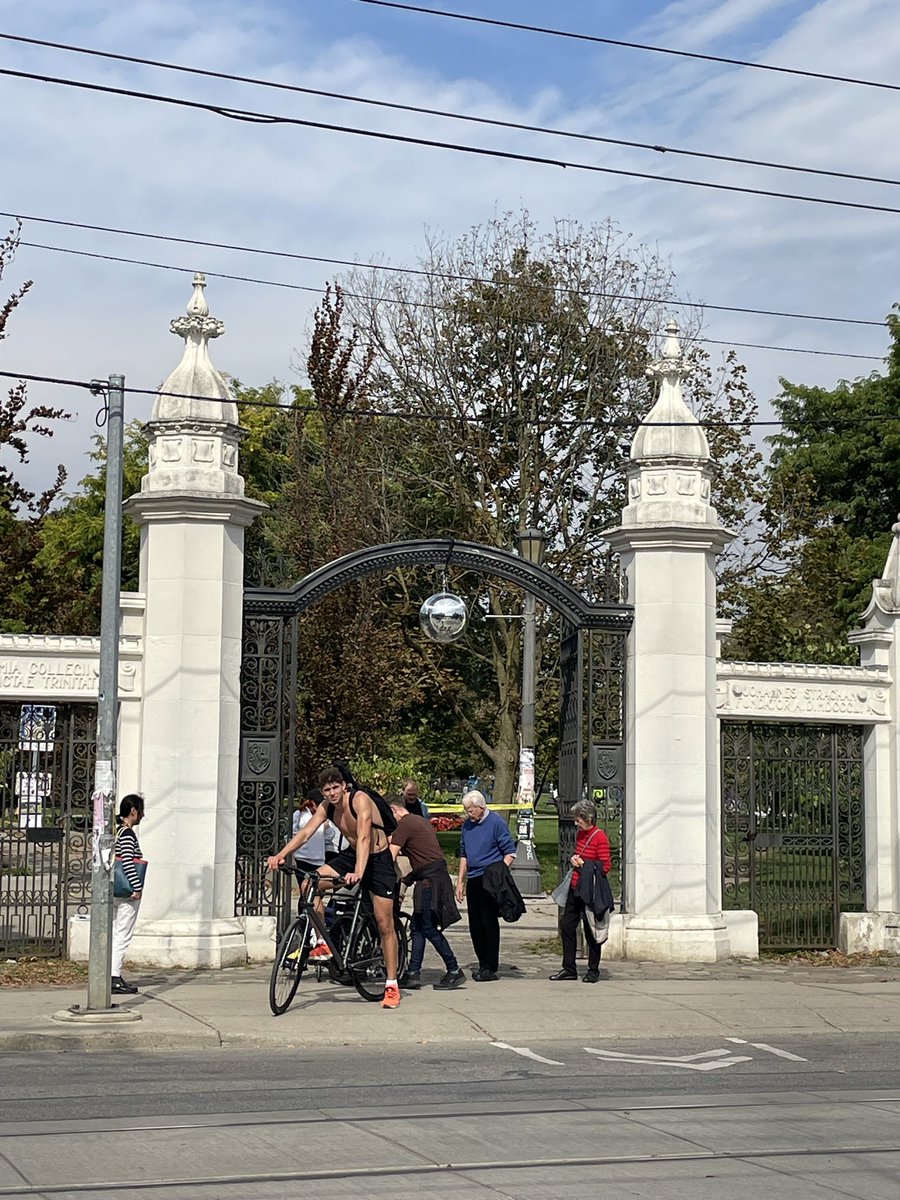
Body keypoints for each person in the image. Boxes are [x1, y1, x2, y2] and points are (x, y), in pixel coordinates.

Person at [267, 766, 402, 1009]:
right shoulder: (327, 807)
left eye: (335, 788)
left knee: (384, 924)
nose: (331, 793)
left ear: (344, 786)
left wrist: (360, 871)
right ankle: (320, 943)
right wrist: (281, 855)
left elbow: (364, 836)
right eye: (327, 790)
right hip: (352, 856)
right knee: (310, 883)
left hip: (378, 859)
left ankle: (391, 984)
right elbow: (306, 832)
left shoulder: (360, 800)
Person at [388, 801, 464, 990]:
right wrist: (408, 879)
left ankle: (454, 969)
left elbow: (391, 855)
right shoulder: (419, 821)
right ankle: (413, 973)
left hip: (430, 881)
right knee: (417, 926)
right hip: (430, 877)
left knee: (427, 927)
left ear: (394, 810)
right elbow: (427, 856)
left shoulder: (405, 824)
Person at [455, 790, 516, 982]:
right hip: (473, 878)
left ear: (481, 807)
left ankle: (490, 965)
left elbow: (510, 852)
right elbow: (464, 854)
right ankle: (482, 962)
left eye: (470, 811)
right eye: (466, 811)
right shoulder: (467, 826)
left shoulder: (496, 823)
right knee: (475, 924)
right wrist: (459, 882)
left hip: (490, 878)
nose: (468, 814)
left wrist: (499, 872)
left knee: (488, 921)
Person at [549, 799, 612, 984]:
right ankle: (569, 968)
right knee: (568, 927)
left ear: (588, 818)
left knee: (591, 930)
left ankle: (593, 969)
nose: (576, 823)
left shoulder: (599, 837)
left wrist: (584, 865)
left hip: (590, 890)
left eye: (578, 819)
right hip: (575, 886)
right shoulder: (580, 835)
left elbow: (605, 866)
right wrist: (575, 860)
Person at [112, 793, 145, 996]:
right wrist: (136, 886)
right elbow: (127, 861)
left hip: (116, 891)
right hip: (126, 892)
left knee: (117, 932)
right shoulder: (127, 834)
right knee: (122, 934)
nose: (142, 815)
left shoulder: (117, 832)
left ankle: (113, 973)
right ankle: (114, 976)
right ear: (133, 811)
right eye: (140, 811)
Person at [292, 790, 330, 962]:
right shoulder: (299, 815)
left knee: (316, 897)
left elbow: (330, 836)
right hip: (303, 859)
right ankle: (307, 934)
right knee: (306, 897)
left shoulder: (325, 816)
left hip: (318, 860)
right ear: (311, 803)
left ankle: (318, 935)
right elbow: (295, 835)